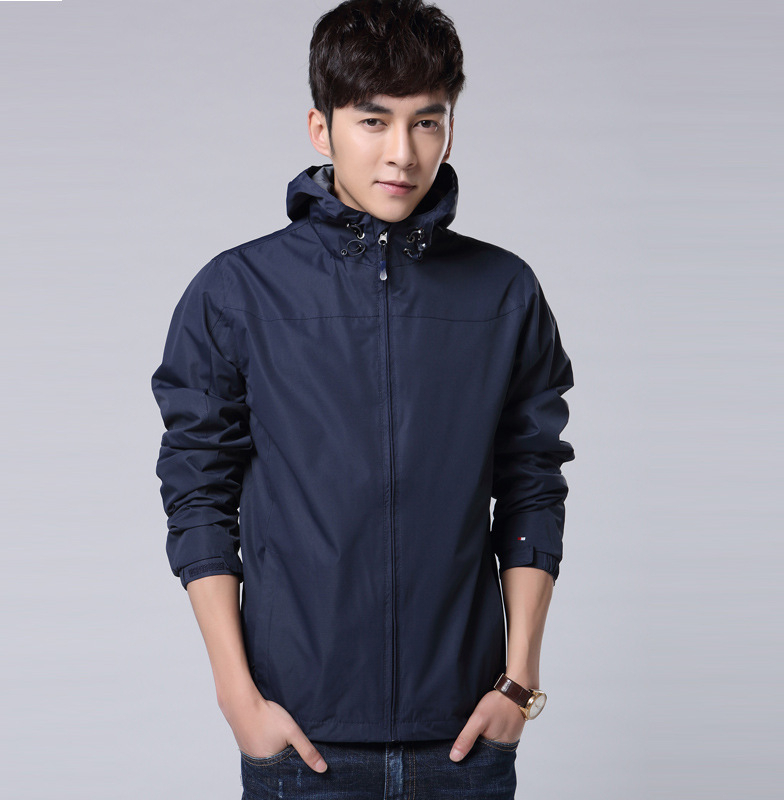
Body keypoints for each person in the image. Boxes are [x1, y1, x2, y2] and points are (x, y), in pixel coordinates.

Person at [151, 1, 575, 797]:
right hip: (299, 737)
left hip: (463, 740)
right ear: (322, 128)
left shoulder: (504, 292)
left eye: (426, 122)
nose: (402, 153)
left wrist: (519, 682)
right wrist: (238, 698)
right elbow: (198, 495)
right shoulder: (236, 292)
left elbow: (532, 486)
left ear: (449, 129)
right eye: (373, 121)